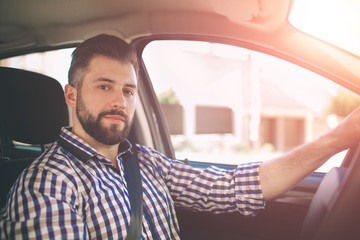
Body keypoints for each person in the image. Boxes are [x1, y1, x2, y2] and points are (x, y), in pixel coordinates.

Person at [1, 34, 360, 239]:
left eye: (128, 91)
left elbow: (233, 187)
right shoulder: (45, 187)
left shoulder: (143, 161)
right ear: (72, 94)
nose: (119, 101)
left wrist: (336, 139)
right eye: (104, 86)